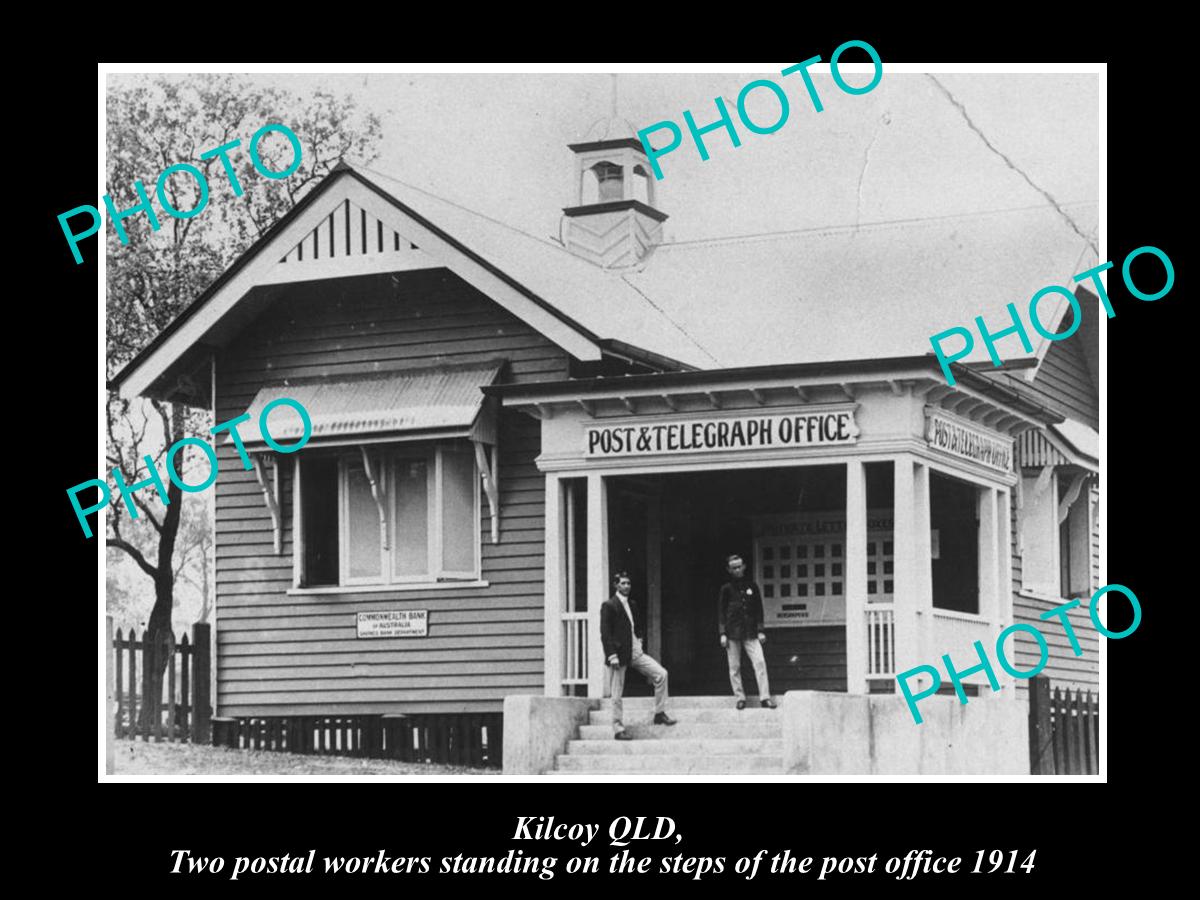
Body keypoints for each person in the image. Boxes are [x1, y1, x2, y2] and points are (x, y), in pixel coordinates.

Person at [601, 571, 676, 739]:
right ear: (616, 585)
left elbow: (637, 624)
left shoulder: (632, 604)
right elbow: (605, 634)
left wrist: (639, 639)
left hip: (635, 651)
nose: (626, 586)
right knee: (617, 693)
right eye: (622, 583)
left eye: (628, 583)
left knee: (661, 674)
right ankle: (618, 728)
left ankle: (659, 712)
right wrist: (612, 655)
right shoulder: (609, 605)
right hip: (618, 655)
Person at [718, 553, 777, 710]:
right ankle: (740, 697)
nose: (737, 570)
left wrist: (761, 630)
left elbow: (758, 609)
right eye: (733, 568)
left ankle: (765, 698)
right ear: (729, 570)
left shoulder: (752, 586)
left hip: (750, 632)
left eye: (739, 566)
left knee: (760, 662)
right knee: (734, 667)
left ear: (744, 567)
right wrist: (722, 633)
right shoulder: (726, 589)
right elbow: (721, 612)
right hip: (732, 633)